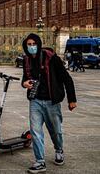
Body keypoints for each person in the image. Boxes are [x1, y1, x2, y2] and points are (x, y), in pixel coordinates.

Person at [21, 33, 77, 173]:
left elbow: (66, 78)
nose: (32, 47)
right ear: (25, 46)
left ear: (38, 44)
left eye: (34, 44)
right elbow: (24, 79)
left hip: (52, 101)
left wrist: (72, 99)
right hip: (35, 101)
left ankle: (59, 150)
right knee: (35, 131)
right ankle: (40, 161)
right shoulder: (26, 60)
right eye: (29, 44)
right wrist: (24, 84)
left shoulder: (51, 58)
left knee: (55, 131)